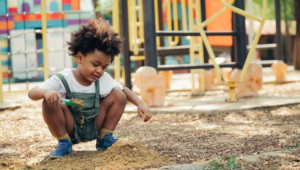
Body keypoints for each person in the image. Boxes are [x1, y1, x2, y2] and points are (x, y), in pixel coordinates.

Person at [28, 18, 152, 158]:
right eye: (95, 64)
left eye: (104, 67)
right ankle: (63, 143)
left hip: (94, 125)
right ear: (80, 58)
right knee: (49, 103)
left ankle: (105, 138)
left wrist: (140, 104)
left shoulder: (102, 79)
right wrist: (47, 93)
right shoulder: (64, 78)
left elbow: (123, 90)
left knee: (118, 94)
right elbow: (32, 93)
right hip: (70, 127)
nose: (99, 71)